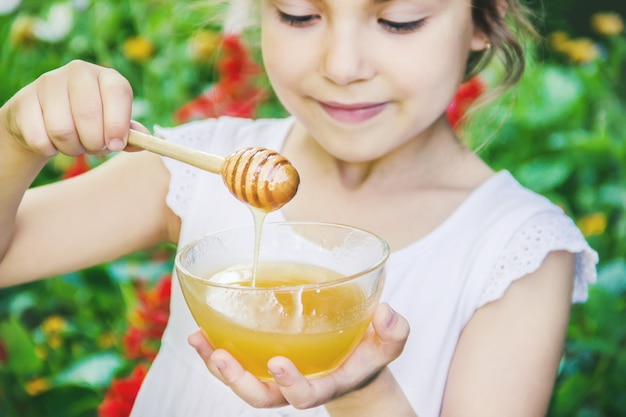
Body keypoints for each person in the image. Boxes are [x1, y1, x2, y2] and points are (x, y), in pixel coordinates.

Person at [0, 0, 598, 416]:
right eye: (299, 15)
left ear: (482, 20)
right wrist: (15, 142)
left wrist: (362, 391)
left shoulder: (513, 251)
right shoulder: (202, 164)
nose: (341, 66)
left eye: (398, 21)